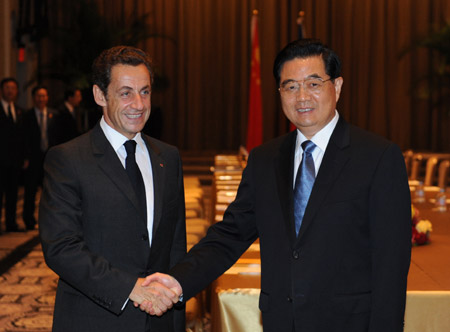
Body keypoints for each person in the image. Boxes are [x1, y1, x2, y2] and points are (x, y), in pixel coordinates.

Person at [144, 39, 412, 332]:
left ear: (337, 87)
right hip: (281, 322)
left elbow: (391, 265)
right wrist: (178, 281)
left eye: (313, 83)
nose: (302, 97)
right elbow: (230, 235)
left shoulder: (377, 157)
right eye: (291, 86)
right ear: (280, 92)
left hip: (348, 323)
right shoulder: (264, 159)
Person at [38, 46, 186, 332]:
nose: (139, 104)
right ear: (99, 95)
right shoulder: (68, 159)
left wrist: (176, 310)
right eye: (126, 93)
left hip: (160, 321)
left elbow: (175, 246)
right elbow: (61, 247)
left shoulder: (168, 157)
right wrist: (131, 288)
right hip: (94, 320)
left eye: (145, 91)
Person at [22, 86, 61, 230]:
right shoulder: (27, 116)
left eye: (44, 96)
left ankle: (50, 222)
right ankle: (29, 220)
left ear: (47, 98)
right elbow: (23, 138)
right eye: (38, 96)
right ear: (34, 98)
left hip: (50, 161)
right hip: (33, 160)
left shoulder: (54, 115)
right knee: (30, 192)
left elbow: (58, 137)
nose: (41, 99)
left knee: (50, 193)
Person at [0, 77, 26, 232]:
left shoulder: (19, 110)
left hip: (14, 161)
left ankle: (11, 223)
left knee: (12, 194)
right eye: (7, 87)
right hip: (0, 160)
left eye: (13, 88)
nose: (10, 91)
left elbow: (22, 137)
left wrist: (24, 157)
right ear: (2, 90)